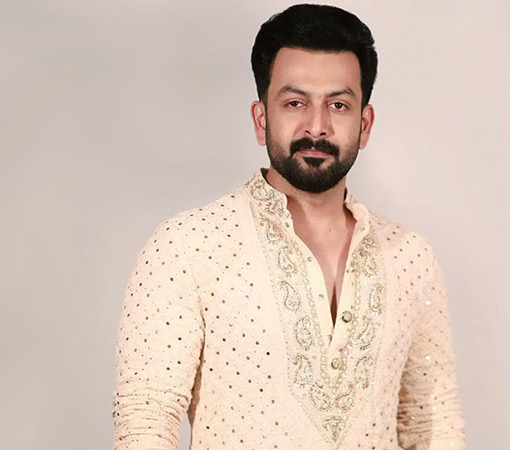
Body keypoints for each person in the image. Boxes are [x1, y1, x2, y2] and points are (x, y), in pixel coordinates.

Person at [112, 4, 467, 449]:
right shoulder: (187, 247)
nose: (316, 126)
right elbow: (145, 422)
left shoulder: (411, 257)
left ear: (365, 124)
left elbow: (433, 424)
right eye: (295, 103)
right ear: (261, 119)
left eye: (338, 105)